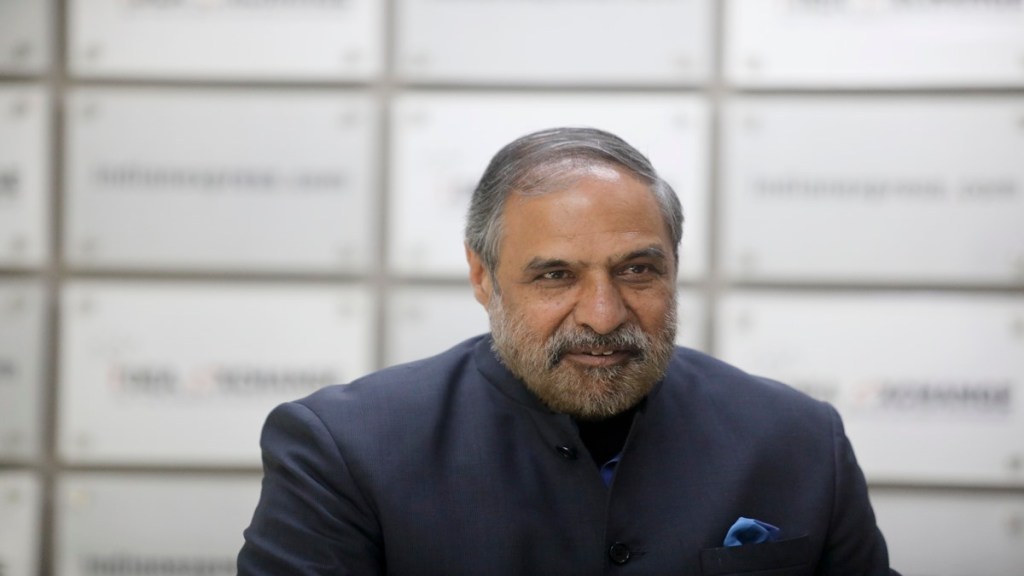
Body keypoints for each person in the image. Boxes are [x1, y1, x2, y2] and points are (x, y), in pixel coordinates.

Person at [237, 127, 898, 575]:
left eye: (638, 270)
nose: (604, 315)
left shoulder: (801, 439)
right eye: (555, 275)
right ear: (482, 276)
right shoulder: (342, 450)